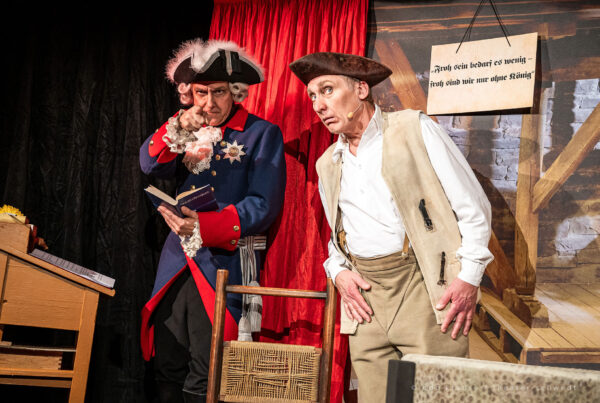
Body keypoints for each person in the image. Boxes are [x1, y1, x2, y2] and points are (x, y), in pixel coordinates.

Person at [289, 52, 493, 402]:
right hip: (366, 299)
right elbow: (338, 236)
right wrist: (338, 272)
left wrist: (469, 277)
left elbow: (472, 207)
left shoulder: (414, 129)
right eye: (312, 96)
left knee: (437, 394)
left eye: (327, 90)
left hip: (422, 286)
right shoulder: (329, 163)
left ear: (361, 90)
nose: (318, 105)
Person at [139, 39, 286, 403]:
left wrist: (207, 228)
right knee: (167, 364)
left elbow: (264, 205)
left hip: (223, 261)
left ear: (235, 91)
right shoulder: (186, 127)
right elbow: (149, 163)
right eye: (201, 93)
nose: (208, 103)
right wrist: (178, 124)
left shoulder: (261, 133)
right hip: (177, 261)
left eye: (218, 92)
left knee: (207, 370)